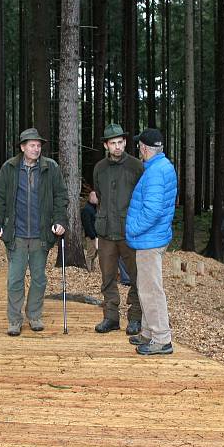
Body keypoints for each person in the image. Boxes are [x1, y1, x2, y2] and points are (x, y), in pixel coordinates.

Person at [0, 128, 68, 336]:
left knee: (39, 279)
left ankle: (34, 315)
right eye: (32, 145)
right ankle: (14, 320)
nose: (36, 149)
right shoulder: (9, 168)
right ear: (23, 147)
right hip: (16, 234)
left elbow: (61, 196)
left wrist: (60, 221)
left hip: (41, 235)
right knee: (15, 279)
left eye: (39, 145)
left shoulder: (50, 168)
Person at [125, 128, 177, 355]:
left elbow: (153, 210)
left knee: (151, 290)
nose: (139, 150)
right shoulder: (162, 167)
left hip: (149, 239)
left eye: (140, 147)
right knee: (145, 287)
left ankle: (161, 339)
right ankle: (148, 331)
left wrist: (133, 229)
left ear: (145, 148)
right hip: (154, 237)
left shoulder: (156, 172)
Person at [92, 123, 144, 335]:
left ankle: (135, 318)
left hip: (129, 231)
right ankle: (111, 318)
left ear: (125, 142)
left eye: (120, 142)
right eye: (112, 143)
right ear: (106, 145)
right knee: (107, 277)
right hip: (106, 232)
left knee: (136, 277)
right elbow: (101, 197)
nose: (117, 147)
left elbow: (142, 198)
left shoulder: (136, 166)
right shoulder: (99, 168)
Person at [81, 190, 99, 272]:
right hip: (91, 236)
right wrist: (92, 236)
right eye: (96, 197)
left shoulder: (93, 209)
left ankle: (92, 269)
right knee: (90, 254)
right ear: (91, 197)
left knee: (94, 254)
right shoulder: (87, 209)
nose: (97, 199)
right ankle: (88, 270)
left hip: (95, 235)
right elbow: (87, 224)